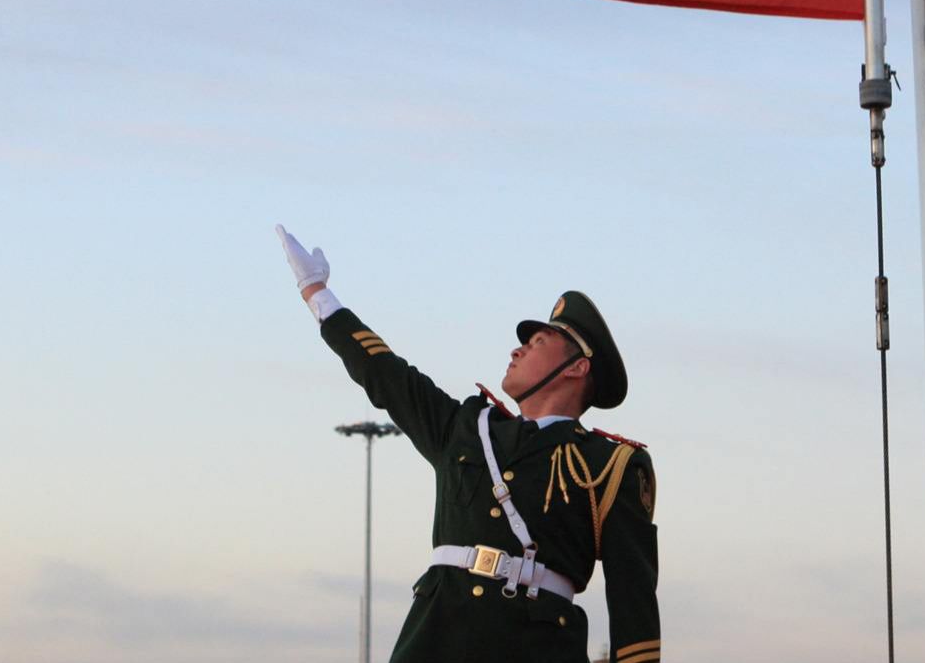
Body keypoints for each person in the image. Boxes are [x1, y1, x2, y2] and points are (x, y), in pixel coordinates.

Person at [279, 225, 659, 663]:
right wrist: (318, 294)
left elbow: (635, 608)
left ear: (577, 368)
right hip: (437, 637)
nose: (517, 351)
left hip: (536, 646)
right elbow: (387, 375)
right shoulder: (468, 428)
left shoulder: (610, 465)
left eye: (537, 342)